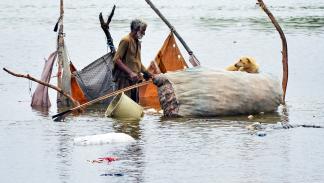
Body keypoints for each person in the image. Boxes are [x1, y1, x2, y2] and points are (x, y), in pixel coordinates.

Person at [113, 19, 153, 103]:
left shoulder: (138, 43)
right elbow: (116, 59)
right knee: (124, 104)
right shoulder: (126, 40)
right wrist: (130, 73)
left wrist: (147, 73)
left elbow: (138, 62)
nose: (144, 34)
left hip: (135, 80)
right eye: (143, 31)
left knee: (134, 103)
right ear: (136, 29)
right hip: (124, 80)